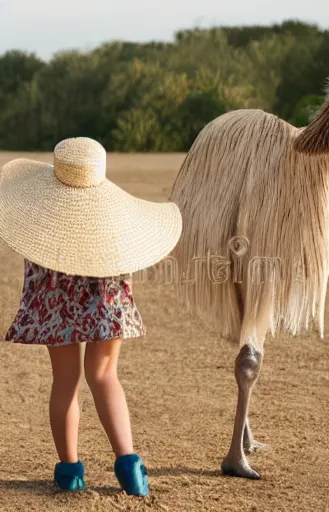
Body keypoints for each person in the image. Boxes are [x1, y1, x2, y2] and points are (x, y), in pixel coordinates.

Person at [0, 137, 182, 496]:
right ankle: (130, 468)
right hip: (105, 287)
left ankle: (70, 473)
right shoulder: (111, 223)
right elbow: (127, 255)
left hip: (55, 293)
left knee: (65, 381)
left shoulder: (40, 219)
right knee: (104, 375)